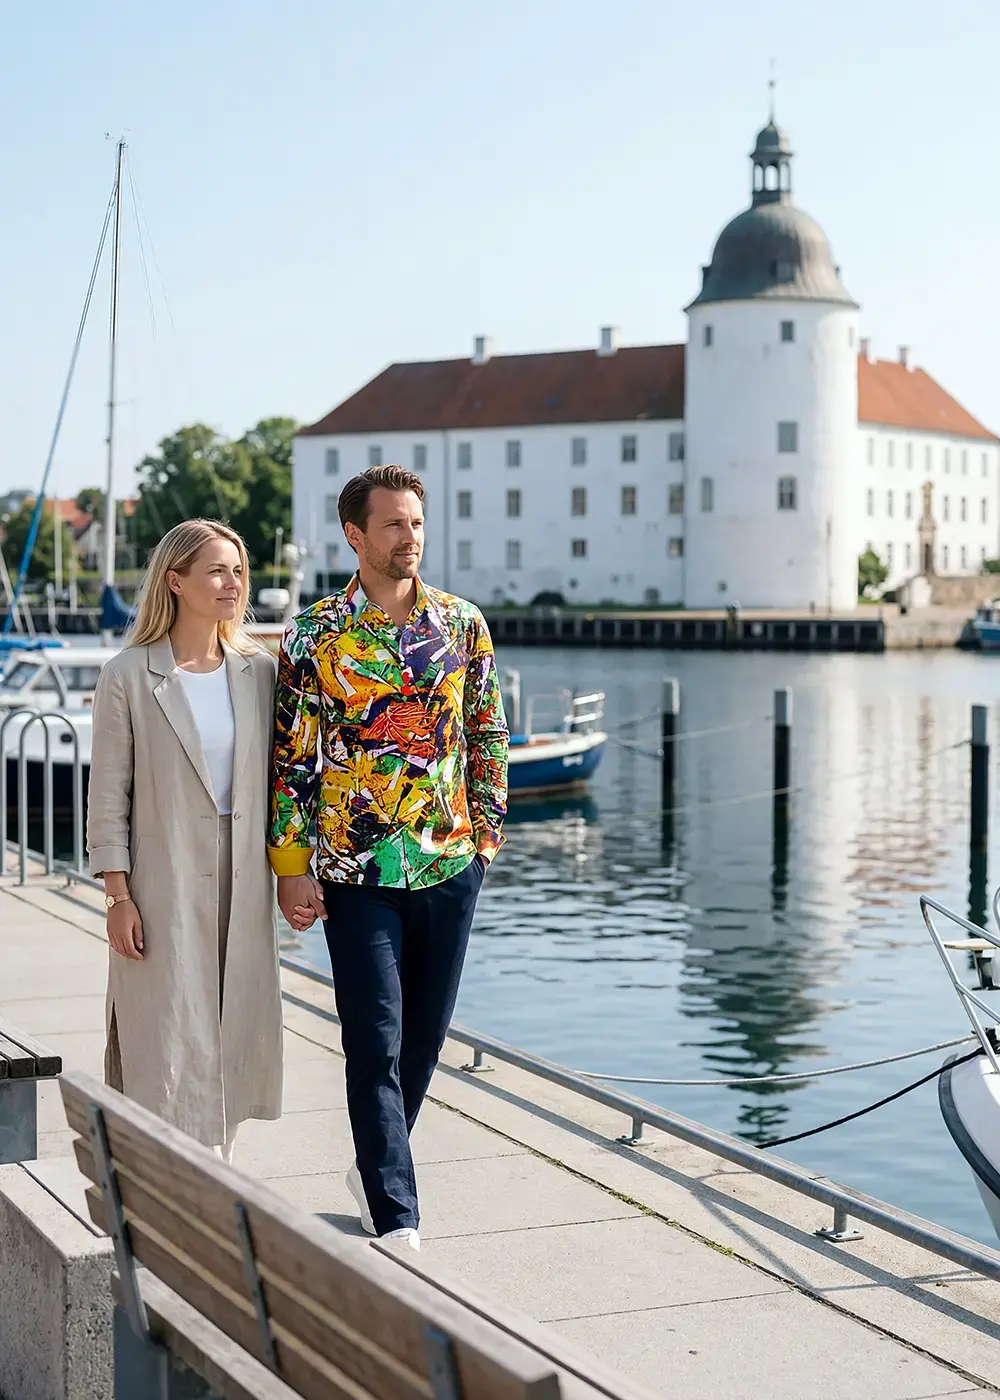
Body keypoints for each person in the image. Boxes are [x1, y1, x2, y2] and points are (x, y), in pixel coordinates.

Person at [269, 464, 508, 1248]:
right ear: (356, 535)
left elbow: (487, 732)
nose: (410, 538)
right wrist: (291, 865)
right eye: (394, 525)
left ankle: (376, 1163)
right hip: (355, 871)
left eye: (416, 523)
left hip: (448, 863)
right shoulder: (313, 636)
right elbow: (293, 759)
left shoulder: (464, 624)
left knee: (425, 1039)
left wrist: (487, 837)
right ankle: (395, 1210)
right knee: (372, 1035)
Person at [87, 519, 283, 1162]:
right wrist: (118, 895)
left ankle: (217, 1170)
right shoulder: (128, 674)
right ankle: (169, 1174)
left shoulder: (260, 671)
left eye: (237, 571)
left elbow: (288, 781)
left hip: (244, 870)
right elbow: (108, 793)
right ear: (176, 581)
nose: (232, 583)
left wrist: (294, 871)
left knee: (234, 1018)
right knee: (167, 1027)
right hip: (162, 870)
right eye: (216, 571)